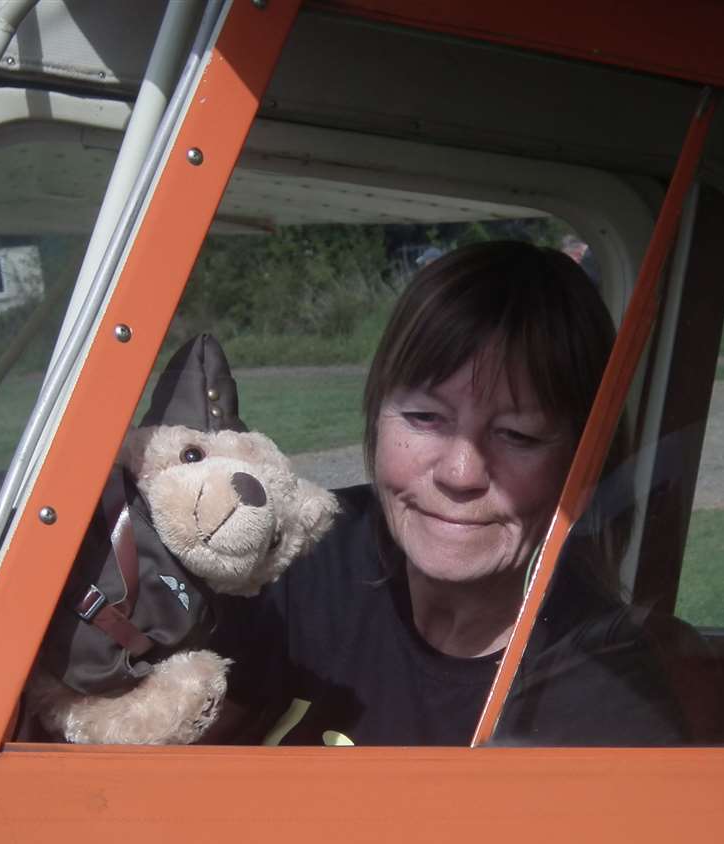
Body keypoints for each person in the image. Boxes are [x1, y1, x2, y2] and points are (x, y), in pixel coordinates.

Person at [214, 240, 687, 746]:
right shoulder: (311, 555)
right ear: (377, 414)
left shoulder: (606, 698)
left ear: (584, 463)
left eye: (518, 435)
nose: (461, 473)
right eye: (424, 417)